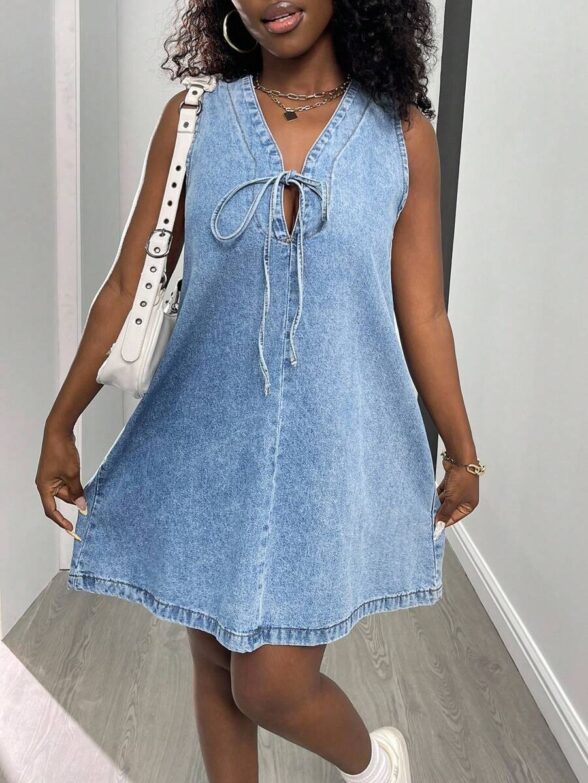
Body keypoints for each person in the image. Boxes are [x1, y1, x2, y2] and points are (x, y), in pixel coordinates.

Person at [36, 1, 483, 781]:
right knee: (215, 660)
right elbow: (127, 282)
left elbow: (425, 314)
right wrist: (60, 420)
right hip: (206, 434)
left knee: (271, 684)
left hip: (329, 451)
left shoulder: (402, 136)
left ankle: (375, 764)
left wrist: (463, 451)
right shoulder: (193, 121)